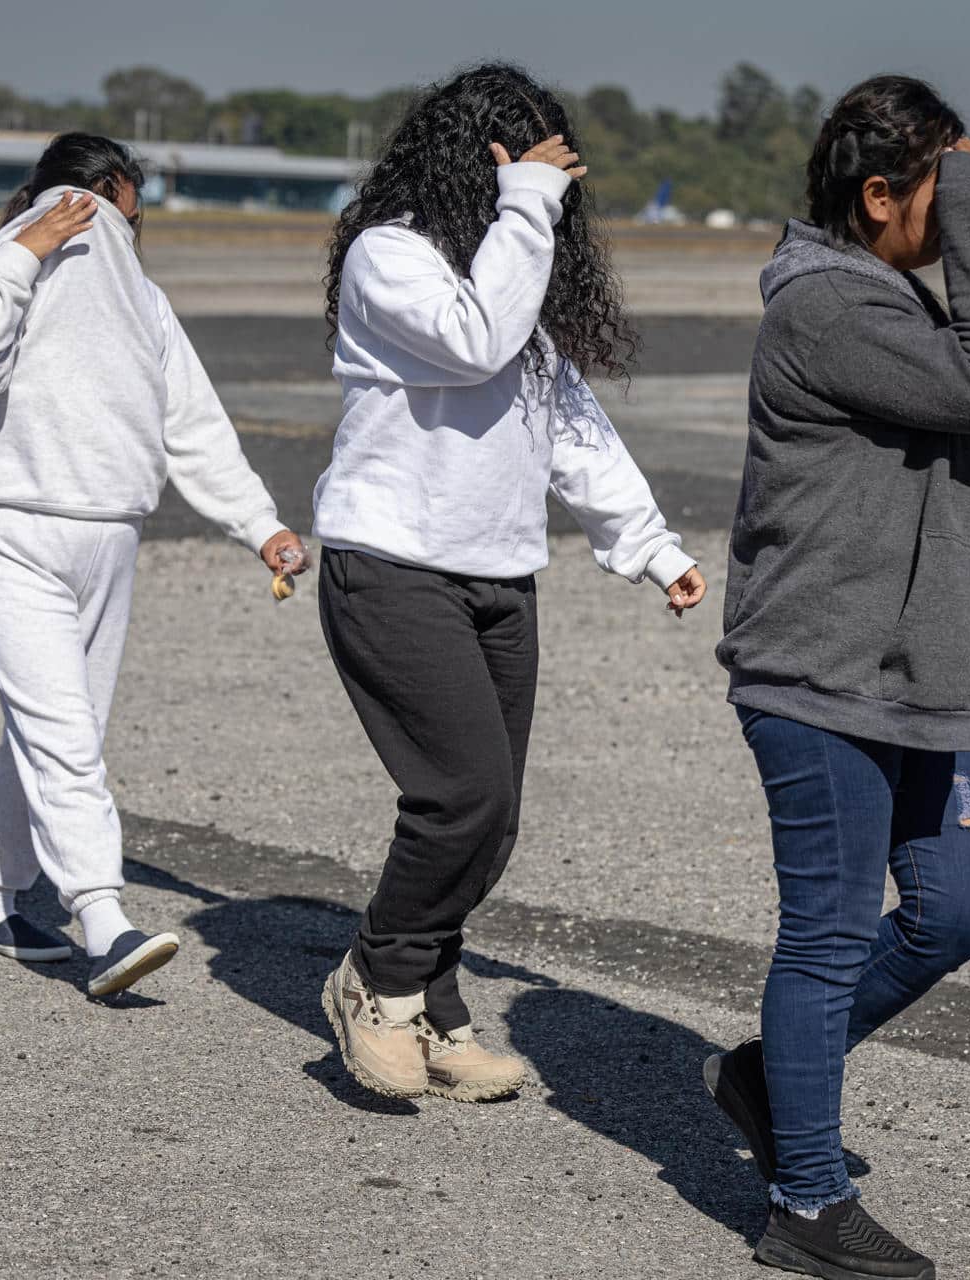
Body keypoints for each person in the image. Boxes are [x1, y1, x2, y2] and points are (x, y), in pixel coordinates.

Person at [313, 63, 707, 1103]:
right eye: (527, 166)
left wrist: (652, 546)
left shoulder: (512, 278)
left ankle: (435, 1014)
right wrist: (529, 208)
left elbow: (573, 429)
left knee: (492, 819)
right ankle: (375, 981)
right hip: (391, 563)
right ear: (473, 159)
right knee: (459, 795)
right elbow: (471, 339)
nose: (544, 190)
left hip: (497, 577)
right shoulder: (386, 256)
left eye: (557, 174)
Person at [704, 75, 970, 1279]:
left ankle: (764, 1072)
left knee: (959, 909)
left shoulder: (884, 296)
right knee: (829, 934)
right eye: (949, 192)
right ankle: (807, 1202)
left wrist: (968, 193)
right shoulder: (829, 308)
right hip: (820, 679)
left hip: (907, 681)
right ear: (879, 194)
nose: (963, 218)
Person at [0, 134, 309, 998]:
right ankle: (101, 915)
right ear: (108, 185)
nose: (132, 219)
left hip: (108, 524)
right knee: (62, 723)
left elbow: (189, 420)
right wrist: (25, 249)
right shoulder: (22, 245)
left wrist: (259, 525)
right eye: (132, 198)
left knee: (62, 720)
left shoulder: (140, 293)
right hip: (9, 517)